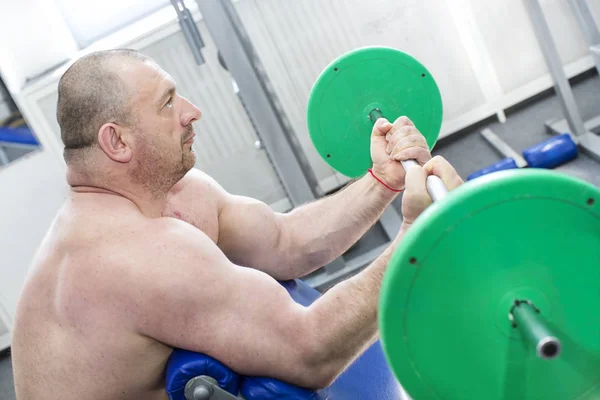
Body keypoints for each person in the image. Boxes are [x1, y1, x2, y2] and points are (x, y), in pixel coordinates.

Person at [11, 49, 464, 400]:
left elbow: (288, 242)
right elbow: (312, 350)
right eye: (168, 102)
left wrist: (382, 181)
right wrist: (419, 235)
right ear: (117, 140)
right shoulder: (126, 256)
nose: (192, 111)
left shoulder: (174, 194)